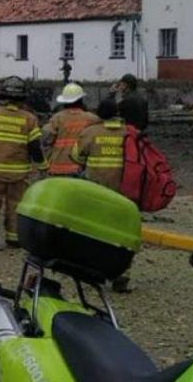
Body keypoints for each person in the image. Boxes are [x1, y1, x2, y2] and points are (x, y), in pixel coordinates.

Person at [0, 76, 45, 251]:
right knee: (16, 204)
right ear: (22, 98)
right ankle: (14, 238)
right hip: (19, 173)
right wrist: (44, 167)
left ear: (3, 96)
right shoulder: (30, 119)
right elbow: (35, 147)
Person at [72, 96, 132, 292]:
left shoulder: (90, 133)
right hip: (123, 192)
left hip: (96, 190)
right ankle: (122, 273)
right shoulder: (129, 133)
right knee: (122, 233)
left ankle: (94, 270)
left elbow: (76, 156)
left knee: (94, 231)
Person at [42, 82, 100, 176]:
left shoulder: (57, 118)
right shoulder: (92, 119)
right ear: (81, 100)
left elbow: (46, 138)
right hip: (81, 170)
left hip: (58, 168)